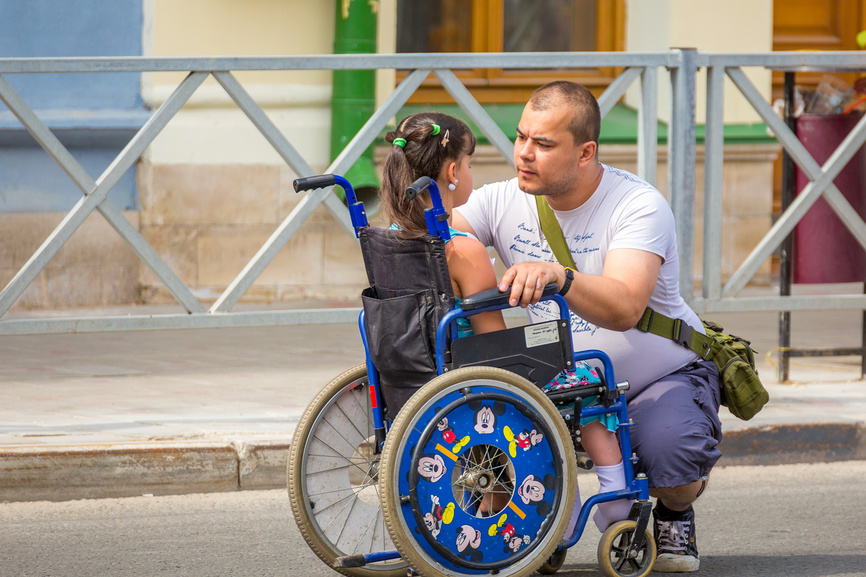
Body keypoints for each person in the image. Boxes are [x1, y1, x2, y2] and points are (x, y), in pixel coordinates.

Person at [452, 81, 722, 573]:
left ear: (585, 152)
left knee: (672, 460)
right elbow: (438, 239)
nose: (524, 155)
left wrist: (562, 276)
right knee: (478, 420)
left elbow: (622, 306)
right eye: (520, 138)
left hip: (655, 378)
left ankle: (675, 511)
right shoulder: (500, 199)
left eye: (544, 144)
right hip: (557, 383)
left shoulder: (637, 205)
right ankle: (535, 528)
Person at [381, 112, 632, 531]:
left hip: (414, 370)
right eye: (471, 164)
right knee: (585, 375)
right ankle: (612, 506)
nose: (472, 173)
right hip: (472, 374)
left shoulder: (387, 238)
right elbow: (492, 340)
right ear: (453, 172)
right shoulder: (463, 250)